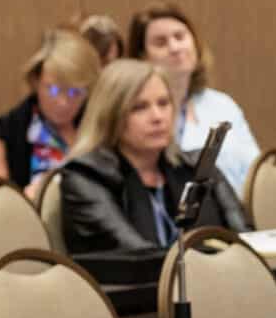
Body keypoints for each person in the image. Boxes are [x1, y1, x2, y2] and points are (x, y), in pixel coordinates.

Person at [56, 61, 250, 254]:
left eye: (163, 103)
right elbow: (138, 256)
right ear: (110, 116)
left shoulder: (198, 167)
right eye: (139, 107)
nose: (158, 117)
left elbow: (246, 242)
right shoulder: (86, 177)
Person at [127, 2, 262, 197]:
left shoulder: (223, 104)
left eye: (180, 37)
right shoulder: (137, 112)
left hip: (237, 210)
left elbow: (256, 171)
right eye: (161, 42)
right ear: (142, 57)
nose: (175, 47)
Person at [0, 31, 100, 195]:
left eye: (75, 92)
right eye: (53, 90)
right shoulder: (2, 135)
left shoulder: (100, 129)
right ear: (35, 81)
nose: (63, 102)